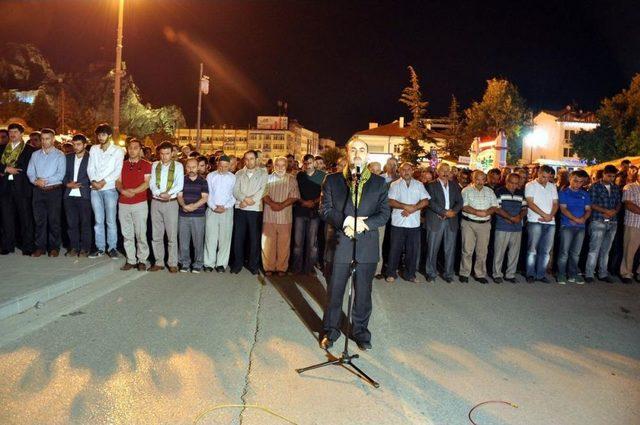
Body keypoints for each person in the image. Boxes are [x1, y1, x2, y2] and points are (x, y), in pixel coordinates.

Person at [320, 139, 390, 351]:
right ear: (347, 153)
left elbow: (384, 214)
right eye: (353, 150)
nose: (357, 153)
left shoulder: (379, 183)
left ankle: (360, 332)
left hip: (366, 245)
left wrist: (363, 224)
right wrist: (347, 221)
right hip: (339, 244)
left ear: (367, 155)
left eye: (362, 150)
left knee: (363, 293)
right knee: (335, 291)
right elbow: (325, 210)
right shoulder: (331, 180)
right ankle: (331, 331)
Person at [385, 162, 430, 283]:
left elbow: (425, 201)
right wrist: (406, 206)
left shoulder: (419, 185)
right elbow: (391, 201)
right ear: (400, 172)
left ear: (412, 170)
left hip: (414, 223)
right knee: (395, 249)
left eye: (408, 169)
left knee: (412, 250)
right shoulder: (395, 184)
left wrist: (413, 209)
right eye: (403, 170)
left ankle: (410, 274)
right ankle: (391, 273)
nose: (406, 172)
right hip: (398, 222)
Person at [26, 128, 66, 257]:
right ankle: (40, 247)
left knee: (54, 220)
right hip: (38, 191)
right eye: (42, 138)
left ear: (53, 139)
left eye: (47, 138)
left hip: (53, 191)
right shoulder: (35, 155)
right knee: (39, 220)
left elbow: (61, 174)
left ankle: (54, 247)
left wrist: (45, 181)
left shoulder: (60, 155)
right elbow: (30, 172)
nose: (44, 141)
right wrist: (35, 181)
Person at [87, 123, 124, 258]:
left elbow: (117, 170)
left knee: (110, 220)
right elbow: (90, 168)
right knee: (98, 221)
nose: (100, 137)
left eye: (103, 134)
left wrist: (103, 182)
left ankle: (112, 247)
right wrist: (93, 181)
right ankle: (100, 248)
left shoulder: (118, 150)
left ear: (109, 135)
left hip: (109, 189)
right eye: (99, 134)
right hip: (95, 189)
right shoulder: (93, 149)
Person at [116, 138, 152, 271]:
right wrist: (122, 190)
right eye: (130, 148)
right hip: (124, 203)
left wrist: (133, 191)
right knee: (127, 233)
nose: (132, 150)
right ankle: (131, 260)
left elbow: (147, 183)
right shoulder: (122, 164)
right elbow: (118, 181)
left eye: (135, 148)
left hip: (140, 203)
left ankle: (142, 259)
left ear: (140, 149)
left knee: (141, 233)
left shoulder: (147, 164)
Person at [148, 141, 184, 273]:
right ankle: (158, 262)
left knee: (171, 235)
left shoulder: (179, 166)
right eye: (162, 154)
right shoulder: (155, 165)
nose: (164, 156)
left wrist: (167, 194)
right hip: (156, 202)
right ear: (159, 154)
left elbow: (179, 184)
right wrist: (159, 193)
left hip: (171, 203)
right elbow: (152, 183)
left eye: (167, 153)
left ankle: (173, 263)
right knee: (156, 234)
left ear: (172, 153)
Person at [424, 163, 463, 283]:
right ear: (438, 171)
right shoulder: (431, 185)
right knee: (432, 248)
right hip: (436, 220)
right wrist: (444, 212)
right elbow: (430, 202)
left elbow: (460, 202)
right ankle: (431, 273)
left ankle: (448, 274)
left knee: (450, 249)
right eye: (443, 170)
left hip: (451, 221)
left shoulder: (454, 185)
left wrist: (453, 212)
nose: (446, 173)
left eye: (448, 171)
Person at [0, 123, 36, 255]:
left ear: (21, 134)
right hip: (5, 188)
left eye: (15, 132)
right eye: (10, 132)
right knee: (6, 218)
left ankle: (27, 246)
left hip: (22, 188)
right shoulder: (2, 148)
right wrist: (5, 168)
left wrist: (16, 170)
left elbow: (29, 168)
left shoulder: (30, 150)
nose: (12, 134)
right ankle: (7, 245)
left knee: (25, 218)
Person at [262, 156, 300, 276]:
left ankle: (281, 268)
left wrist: (281, 205)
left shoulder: (292, 179)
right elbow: (264, 194)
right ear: (274, 166)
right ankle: (268, 267)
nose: (280, 168)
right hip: (269, 216)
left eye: (282, 165)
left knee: (284, 244)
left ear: (286, 166)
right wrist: (273, 204)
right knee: (268, 243)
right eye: (277, 165)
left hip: (285, 216)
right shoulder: (267, 178)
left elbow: (294, 196)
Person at [231, 150, 267, 274]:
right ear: (244, 160)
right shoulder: (239, 173)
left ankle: (253, 265)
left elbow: (263, 189)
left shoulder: (263, 173)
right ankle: (238, 264)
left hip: (255, 209)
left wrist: (249, 201)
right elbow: (235, 190)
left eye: (252, 158)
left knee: (254, 238)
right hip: (240, 208)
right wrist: (243, 200)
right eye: (246, 159)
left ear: (256, 159)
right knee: (238, 238)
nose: (249, 161)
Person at [459, 170, 498, 283]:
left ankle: (480, 274)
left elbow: (495, 206)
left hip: (484, 225)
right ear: (473, 179)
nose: (480, 182)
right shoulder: (466, 190)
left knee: (482, 251)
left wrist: (487, 213)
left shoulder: (490, 191)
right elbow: (464, 206)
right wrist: (477, 212)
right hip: (469, 223)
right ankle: (464, 273)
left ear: (485, 180)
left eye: (482, 179)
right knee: (467, 250)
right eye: (478, 179)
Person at [585, 165, 621, 283]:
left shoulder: (615, 188)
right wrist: (605, 211)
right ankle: (589, 273)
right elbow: (591, 203)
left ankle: (603, 273)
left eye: (613, 176)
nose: (611, 178)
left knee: (606, 250)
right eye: (609, 176)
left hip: (612, 221)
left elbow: (619, 203)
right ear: (604, 174)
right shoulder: (595, 187)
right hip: (598, 220)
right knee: (594, 249)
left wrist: (614, 211)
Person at [292, 154, 326, 275]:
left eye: (310, 162)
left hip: (314, 212)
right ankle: (296, 267)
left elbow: (324, 193)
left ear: (314, 163)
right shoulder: (299, 175)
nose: (308, 165)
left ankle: (309, 267)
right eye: (305, 163)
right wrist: (303, 202)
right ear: (303, 163)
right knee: (297, 242)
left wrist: (313, 202)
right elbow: (295, 190)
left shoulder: (322, 176)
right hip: (300, 211)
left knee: (312, 243)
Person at [524, 164, 559, 283]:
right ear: (538, 173)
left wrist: (550, 216)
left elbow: (555, 203)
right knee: (532, 250)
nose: (546, 180)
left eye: (549, 177)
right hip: (535, 221)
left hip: (550, 222)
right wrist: (545, 215)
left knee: (545, 251)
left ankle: (540, 274)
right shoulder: (530, 185)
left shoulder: (552, 186)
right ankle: (530, 274)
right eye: (544, 177)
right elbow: (530, 203)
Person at [556, 170, 591, 284]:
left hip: (581, 227)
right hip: (567, 225)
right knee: (564, 252)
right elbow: (563, 209)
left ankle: (573, 274)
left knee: (576, 253)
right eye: (575, 181)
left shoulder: (585, 194)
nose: (577, 184)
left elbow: (588, 209)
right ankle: (561, 274)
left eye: (581, 182)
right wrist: (575, 219)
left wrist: (583, 219)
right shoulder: (564, 192)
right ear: (570, 179)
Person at [492, 173, 527, 283]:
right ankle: (497, 274)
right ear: (506, 181)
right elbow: (497, 208)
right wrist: (510, 217)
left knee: (514, 252)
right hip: (502, 226)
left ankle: (510, 274)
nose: (513, 185)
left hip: (517, 227)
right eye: (511, 183)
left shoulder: (520, 193)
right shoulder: (499, 191)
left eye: (516, 183)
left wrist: (519, 217)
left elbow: (525, 208)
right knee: (499, 252)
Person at [204, 155, 236, 273]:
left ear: (229, 166)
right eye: (221, 166)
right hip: (212, 209)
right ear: (217, 165)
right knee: (210, 237)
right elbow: (208, 193)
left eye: (226, 166)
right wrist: (213, 206)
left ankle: (221, 264)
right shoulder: (210, 176)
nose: (223, 169)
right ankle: (208, 263)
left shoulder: (233, 178)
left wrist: (225, 207)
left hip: (227, 210)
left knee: (225, 238)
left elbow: (234, 195)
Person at [62, 134, 92, 257]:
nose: (75, 146)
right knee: (71, 223)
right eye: (74, 144)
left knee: (85, 223)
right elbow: (62, 174)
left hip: (84, 194)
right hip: (69, 195)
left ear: (85, 145)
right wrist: (67, 184)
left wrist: (80, 184)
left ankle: (85, 248)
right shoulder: (67, 157)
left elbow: (93, 174)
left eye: (79, 144)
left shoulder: (91, 157)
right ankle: (74, 247)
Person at [178, 158, 209, 273]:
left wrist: (193, 207)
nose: (191, 169)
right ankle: (185, 263)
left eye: (193, 167)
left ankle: (198, 264)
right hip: (183, 215)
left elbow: (205, 198)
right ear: (186, 168)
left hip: (198, 216)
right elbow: (179, 196)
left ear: (198, 167)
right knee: (183, 242)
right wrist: (184, 206)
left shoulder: (203, 181)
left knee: (198, 242)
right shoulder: (181, 180)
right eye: (189, 167)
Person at [621, 173, 640, 283]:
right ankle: (626, 273)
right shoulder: (630, 187)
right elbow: (628, 204)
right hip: (634, 224)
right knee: (629, 250)